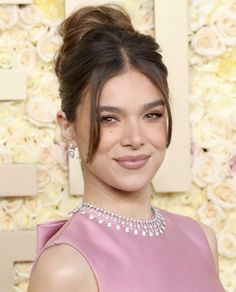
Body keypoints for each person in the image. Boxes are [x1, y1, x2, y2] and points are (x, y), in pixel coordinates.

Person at [27, 4, 225, 292]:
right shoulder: (64, 269)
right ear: (67, 128)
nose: (135, 138)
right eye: (109, 118)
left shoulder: (201, 239)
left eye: (151, 115)